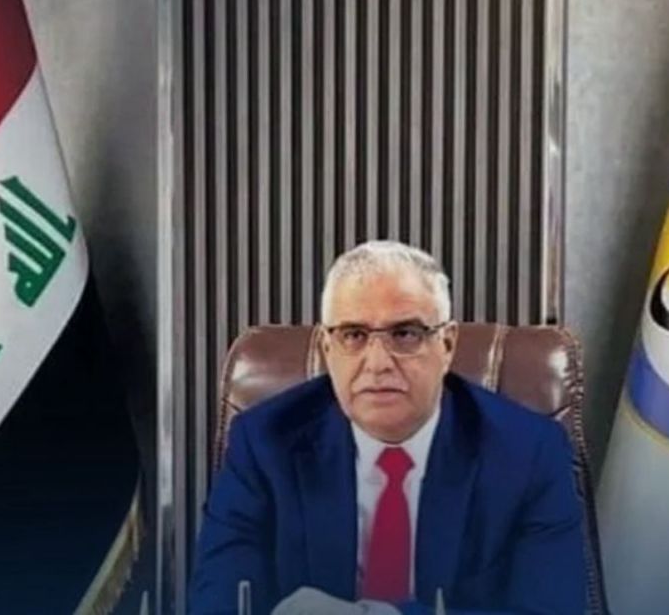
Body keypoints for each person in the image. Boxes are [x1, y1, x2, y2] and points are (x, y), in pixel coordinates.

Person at [190, 241, 587, 614]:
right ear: (328, 349)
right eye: (353, 335)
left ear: (447, 345)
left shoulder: (528, 453)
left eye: (405, 334)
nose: (378, 363)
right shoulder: (264, 443)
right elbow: (219, 603)